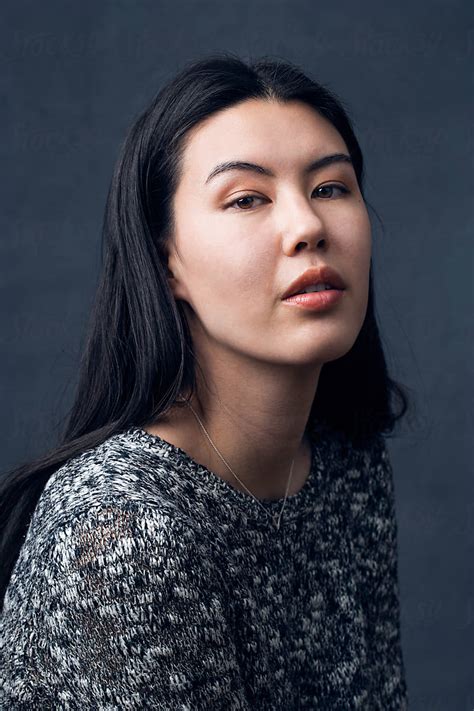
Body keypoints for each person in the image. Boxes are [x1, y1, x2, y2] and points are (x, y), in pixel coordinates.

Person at [0, 52, 411, 709]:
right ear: (168, 266)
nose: (308, 226)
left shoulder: (346, 462)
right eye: (247, 198)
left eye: (331, 187)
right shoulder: (126, 530)